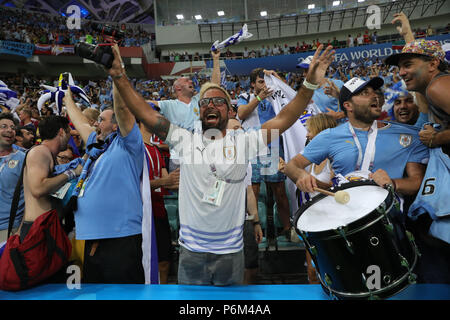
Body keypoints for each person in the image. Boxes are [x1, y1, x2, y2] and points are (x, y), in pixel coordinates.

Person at [107, 43, 335, 285]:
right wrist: (119, 75)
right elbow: (146, 113)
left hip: (230, 253)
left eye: (218, 101)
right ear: (199, 112)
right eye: (205, 103)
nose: (211, 105)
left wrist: (309, 84)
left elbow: (286, 117)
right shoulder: (184, 140)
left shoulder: (244, 142)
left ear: (229, 110)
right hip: (191, 253)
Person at [285, 76, 428, 212]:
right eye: (365, 93)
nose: (374, 96)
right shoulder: (329, 136)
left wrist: (393, 183)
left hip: (390, 218)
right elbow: (292, 166)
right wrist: (301, 175)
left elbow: (416, 181)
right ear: (348, 105)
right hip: (346, 216)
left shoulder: (407, 135)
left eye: (375, 92)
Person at [63, 76, 148, 284]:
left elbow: (123, 110)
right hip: (93, 238)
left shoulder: (129, 145)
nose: (96, 123)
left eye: (102, 119)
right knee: (97, 295)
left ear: (116, 125)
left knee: (125, 298)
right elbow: (80, 120)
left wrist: (115, 75)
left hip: (121, 238)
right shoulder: (96, 146)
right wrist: (66, 97)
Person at [236, 68, 292, 241]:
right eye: (261, 81)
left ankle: (288, 229)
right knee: (252, 189)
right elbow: (241, 113)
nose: (265, 85)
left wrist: (278, 79)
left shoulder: (277, 98)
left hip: (272, 145)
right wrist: (259, 97)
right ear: (253, 83)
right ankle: (254, 229)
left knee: (280, 192)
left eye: (267, 81)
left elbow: (293, 102)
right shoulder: (245, 97)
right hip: (252, 146)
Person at [284, 113, 337, 284]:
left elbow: (337, 187)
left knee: (332, 271)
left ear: (321, 132)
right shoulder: (313, 159)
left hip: (333, 220)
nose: (306, 134)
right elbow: (304, 183)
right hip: (313, 219)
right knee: (312, 271)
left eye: (310, 131)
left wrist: (313, 181)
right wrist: (287, 170)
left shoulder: (335, 158)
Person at [139, 121, 180, 284]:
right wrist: (164, 181)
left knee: (164, 261)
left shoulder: (155, 149)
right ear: (142, 120)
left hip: (159, 210)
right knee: (143, 262)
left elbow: (168, 181)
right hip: (142, 213)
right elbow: (134, 183)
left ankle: (160, 295)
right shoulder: (137, 148)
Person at [227, 118, 263, 284]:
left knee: (251, 264)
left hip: (243, 218)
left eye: (241, 128)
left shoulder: (244, 160)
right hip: (221, 219)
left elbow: (249, 191)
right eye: (235, 128)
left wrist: (255, 222)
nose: (240, 131)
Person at [0, 113, 25, 242]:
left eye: (12, 128)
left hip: (9, 230)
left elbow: (32, 198)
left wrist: (20, 231)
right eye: (4, 126)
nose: (9, 130)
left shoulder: (24, 159)